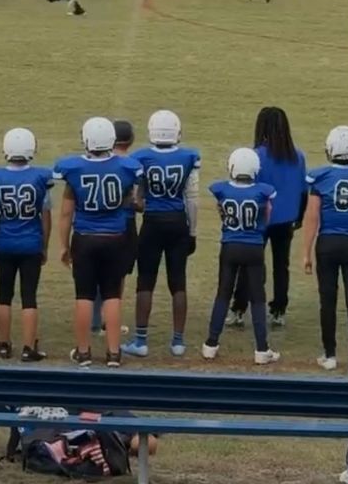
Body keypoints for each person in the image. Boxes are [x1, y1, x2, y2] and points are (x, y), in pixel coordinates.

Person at [54, 117, 143, 367]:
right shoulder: (127, 167)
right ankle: (114, 353)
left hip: (84, 238)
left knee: (84, 296)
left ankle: (84, 352)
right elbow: (133, 197)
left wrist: (63, 245)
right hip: (115, 237)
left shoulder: (73, 168)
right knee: (112, 295)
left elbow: (65, 214)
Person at [124, 110, 199, 359]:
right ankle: (178, 341)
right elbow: (192, 198)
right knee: (178, 281)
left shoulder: (141, 157)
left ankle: (141, 340)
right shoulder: (188, 156)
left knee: (145, 280)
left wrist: (139, 205)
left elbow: (136, 195)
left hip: (152, 223)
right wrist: (193, 231)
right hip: (178, 221)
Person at [228, 108, 307, 328]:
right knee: (281, 266)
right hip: (286, 220)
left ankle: (239, 308)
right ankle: (279, 310)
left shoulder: (256, 156)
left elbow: (249, 189)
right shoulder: (297, 156)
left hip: (260, 220)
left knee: (248, 264)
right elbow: (303, 190)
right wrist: (298, 216)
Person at [202, 148, 279, 365]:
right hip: (254, 246)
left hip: (230, 245)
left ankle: (210, 344)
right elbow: (267, 214)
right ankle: (262, 349)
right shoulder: (264, 191)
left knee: (223, 294)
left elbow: (221, 210)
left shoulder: (221, 189)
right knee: (257, 298)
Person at [0, 128, 53, 362]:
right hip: (31, 242)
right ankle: (27, 347)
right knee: (29, 296)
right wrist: (44, 245)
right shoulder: (40, 178)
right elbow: (46, 215)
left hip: (6, 242)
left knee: (4, 294)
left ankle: (3, 344)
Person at [303, 126, 348, 375]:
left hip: (327, 245)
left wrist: (306, 251)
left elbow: (312, 216)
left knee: (328, 300)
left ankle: (329, 355)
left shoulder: (320, 176)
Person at [91, 120, 136, 335]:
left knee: (94, 273)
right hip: (122, 225)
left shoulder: (97, 162)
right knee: (117, 275)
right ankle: (109, 320)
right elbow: (136, 201)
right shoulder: (132, 165)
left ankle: (94, 318)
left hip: (93, 222)